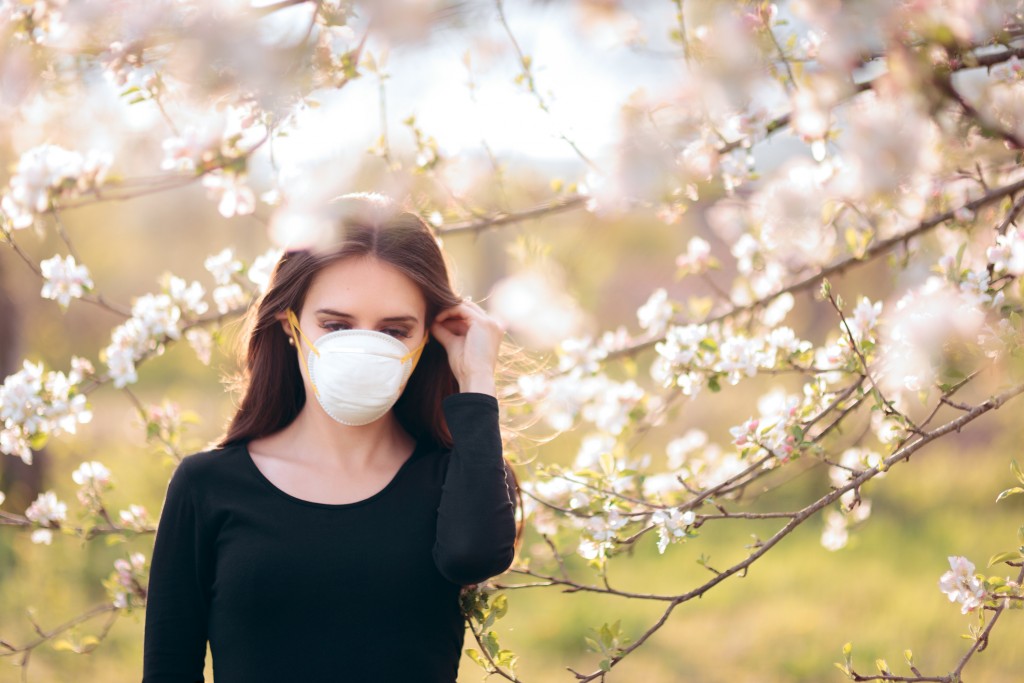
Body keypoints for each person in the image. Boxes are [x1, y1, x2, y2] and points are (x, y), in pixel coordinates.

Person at [141, 193, 521, 683]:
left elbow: (475, 553)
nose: (363, 348)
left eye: (393, 331)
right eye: (336, 325)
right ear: (290, 325)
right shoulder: (207, 485)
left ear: (428, 337)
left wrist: (477, 378)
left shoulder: (454, 480)